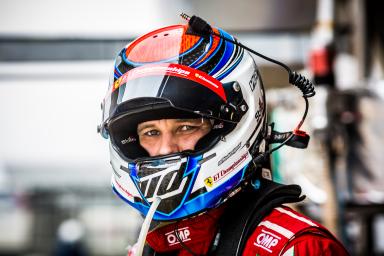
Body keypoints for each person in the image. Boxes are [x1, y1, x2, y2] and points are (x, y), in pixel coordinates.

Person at [98, 15, 349, 256]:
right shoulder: (145, 249)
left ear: (236, 123)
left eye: (186, 127)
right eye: (151, 132)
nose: (165, 148)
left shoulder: (295, 249)